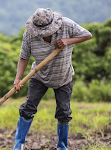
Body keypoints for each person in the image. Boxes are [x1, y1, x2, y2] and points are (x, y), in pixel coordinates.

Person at [13, 8, 92, 150]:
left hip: (63, 76)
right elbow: (24, 56)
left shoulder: (67, 25)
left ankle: (62, 146)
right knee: (28, 108)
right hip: (39, 76)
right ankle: (18, 145)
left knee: (63, 112)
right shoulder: (30, 34)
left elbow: (87, 35)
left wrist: (68, 41)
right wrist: (18, 79)